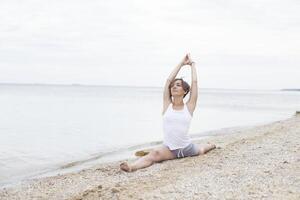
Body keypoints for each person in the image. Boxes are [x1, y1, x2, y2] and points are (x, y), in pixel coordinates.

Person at [120, 54, 216, 172]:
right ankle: (131, 167)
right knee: (154, 154)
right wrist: (181, 63)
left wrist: (192, 65)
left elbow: (195, 83)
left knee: (201, 151)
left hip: (187, 148)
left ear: (185, 91)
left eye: (178, 85)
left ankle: (210, 145)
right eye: (173, 86)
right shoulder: (167, 105)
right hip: (170, 150)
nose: (174, 87)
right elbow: (168, 81)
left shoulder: (189, 107)